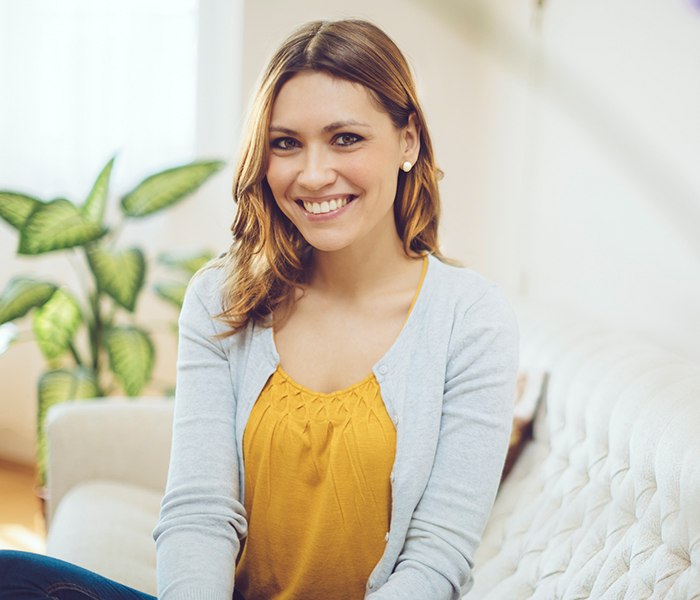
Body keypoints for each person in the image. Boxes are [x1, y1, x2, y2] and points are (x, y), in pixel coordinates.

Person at [0, 18, 518, 600]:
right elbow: (200, 509)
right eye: (285, 143)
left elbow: (436, 560)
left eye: (345, 138)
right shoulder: (222, 297)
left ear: (408, 141)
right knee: (11, 574)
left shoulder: (472, 320)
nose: (313, 173)